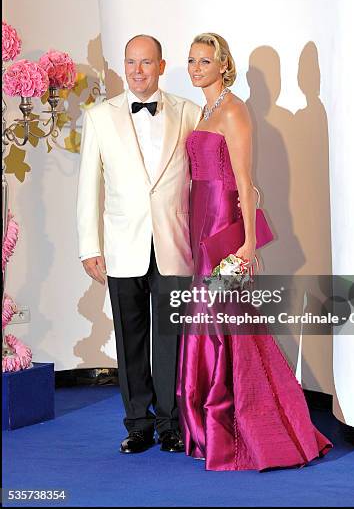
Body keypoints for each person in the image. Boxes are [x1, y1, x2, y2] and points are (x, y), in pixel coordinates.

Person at [176, 32, 333, 471]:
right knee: (212, 316)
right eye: (191, 61)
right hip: (200, 217)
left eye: (204, 62)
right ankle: (208, 422)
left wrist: (246, 243)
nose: (195, 68)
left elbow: (245, 181)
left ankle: (240, 427)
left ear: (223, 66)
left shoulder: (233, 110)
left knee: (225, 316)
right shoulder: (205, 109)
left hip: (224, 220)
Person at [77, 34, 201, 454]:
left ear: (161, 67)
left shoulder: (190, 112)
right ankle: (138, 424)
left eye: (147, 63)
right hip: (121, 245)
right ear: (123, 66)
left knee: (172, 337)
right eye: (131, 62)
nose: (138, 70)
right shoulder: (98, 116)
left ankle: (170, 424)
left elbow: (199, 184)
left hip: (174, 243)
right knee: (129, 339)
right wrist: (88, 246)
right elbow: (87, 188)